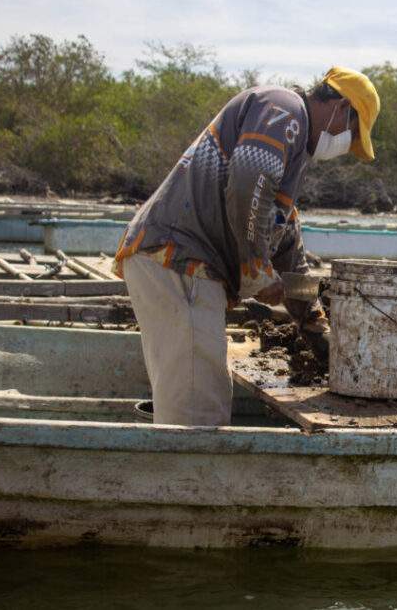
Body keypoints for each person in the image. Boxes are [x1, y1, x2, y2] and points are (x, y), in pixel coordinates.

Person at [114, 67, 380, 425]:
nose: (345, 145)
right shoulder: (285, 109)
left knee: (195, 394)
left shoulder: (294, 153)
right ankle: (190, 482)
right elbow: (247, 184)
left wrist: (317, 332)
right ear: (342, 107)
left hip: (177, 264)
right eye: (351, 134)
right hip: (178, 260)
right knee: (198, 412)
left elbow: (287, 248)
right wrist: (256, 270)